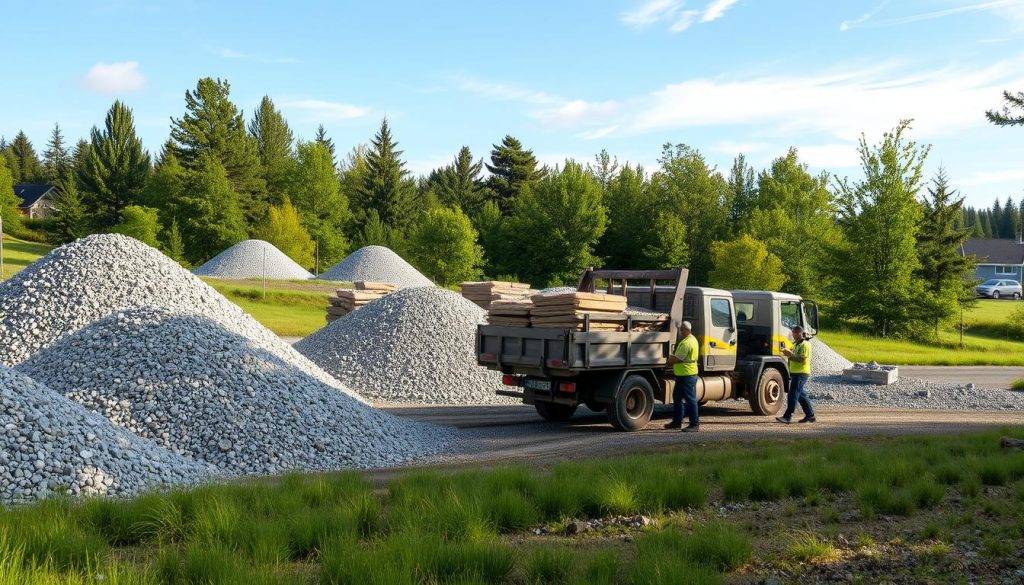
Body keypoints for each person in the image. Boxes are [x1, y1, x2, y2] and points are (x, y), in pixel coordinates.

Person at [665, 320, 700, 432]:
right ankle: (677, 422)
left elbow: (677, 358)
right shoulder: (693, 339)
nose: (680, 332)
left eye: (681, 330)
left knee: (690, 400)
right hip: (685, 374)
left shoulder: (686, 343)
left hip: (686, 375)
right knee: (677, 397)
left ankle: (694, 424)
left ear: (685, 330)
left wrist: (668, 360)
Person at [777, 325, 816, 424]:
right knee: (801, 394)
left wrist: (789, 354)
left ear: (801, 333)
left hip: (801, 373)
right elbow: (791, 356)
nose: (794, 334)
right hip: (794, 373)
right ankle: (810, 415)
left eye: (797, 332)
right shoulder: (794, 344)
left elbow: (802, 359)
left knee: (793, 394)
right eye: (793, 332)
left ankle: (787, 416)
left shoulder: (805, 344)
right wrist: (786, 353)